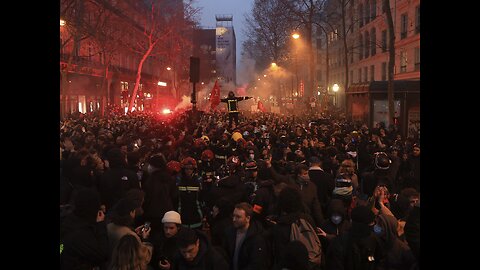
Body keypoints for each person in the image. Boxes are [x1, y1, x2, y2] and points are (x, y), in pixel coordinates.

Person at [222, 202, 268, 270]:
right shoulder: (229, 232)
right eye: (233, 216)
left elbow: (256, 264)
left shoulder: (257, 237)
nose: (234, 219)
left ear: (248, 218)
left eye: (238, 217)